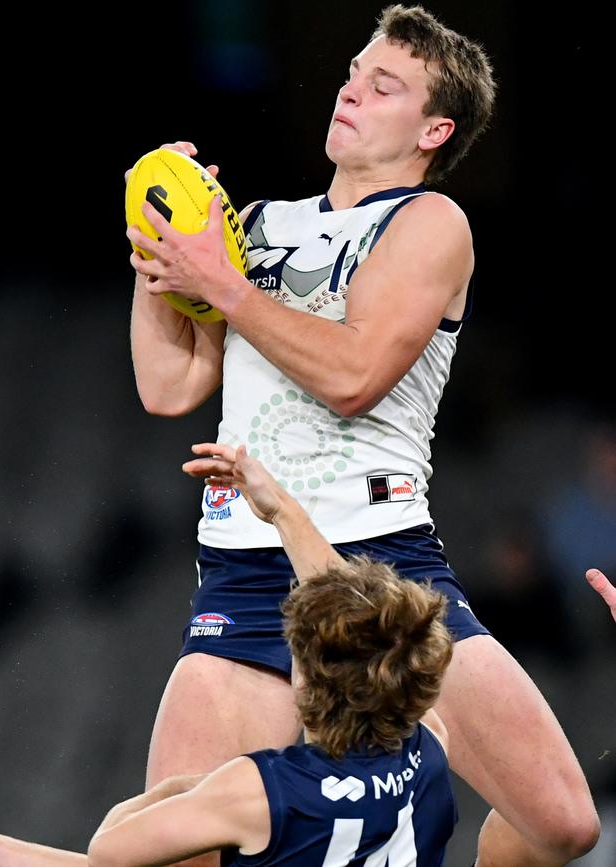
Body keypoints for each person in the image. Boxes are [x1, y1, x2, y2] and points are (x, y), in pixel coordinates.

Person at [127, 5, 599, 866]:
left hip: (383, 567)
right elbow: (169, 387)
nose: (351, 88)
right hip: (247, 567)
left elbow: (353, 377)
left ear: (434, 127)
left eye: (384, 84)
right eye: (352, 72)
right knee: (169, 853)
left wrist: (223, 287)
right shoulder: (259, 224)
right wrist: (162, 263)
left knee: (562, 822)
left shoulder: (431, 225)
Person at [0, 446, 457, 867]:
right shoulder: (429, 747)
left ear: (308, 682)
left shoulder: (257, 792)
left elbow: (108, 853)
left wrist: (185, 789)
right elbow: (364, 633)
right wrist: (282, 512)